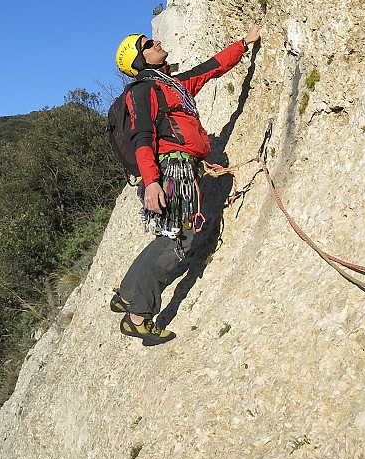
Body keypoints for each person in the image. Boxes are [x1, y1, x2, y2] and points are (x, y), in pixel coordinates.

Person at [111, 27, 261, 345]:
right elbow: (142, 137)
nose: (157, 43)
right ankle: (138, 317)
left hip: (177, 169)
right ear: (140, 59)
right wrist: (152, 183)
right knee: (179, 240)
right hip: (169, 173)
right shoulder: (144, 90)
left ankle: (126, 295)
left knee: (167, 236)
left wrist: (243, 45)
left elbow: (211, 68)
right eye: (149, 44)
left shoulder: (173, 86)